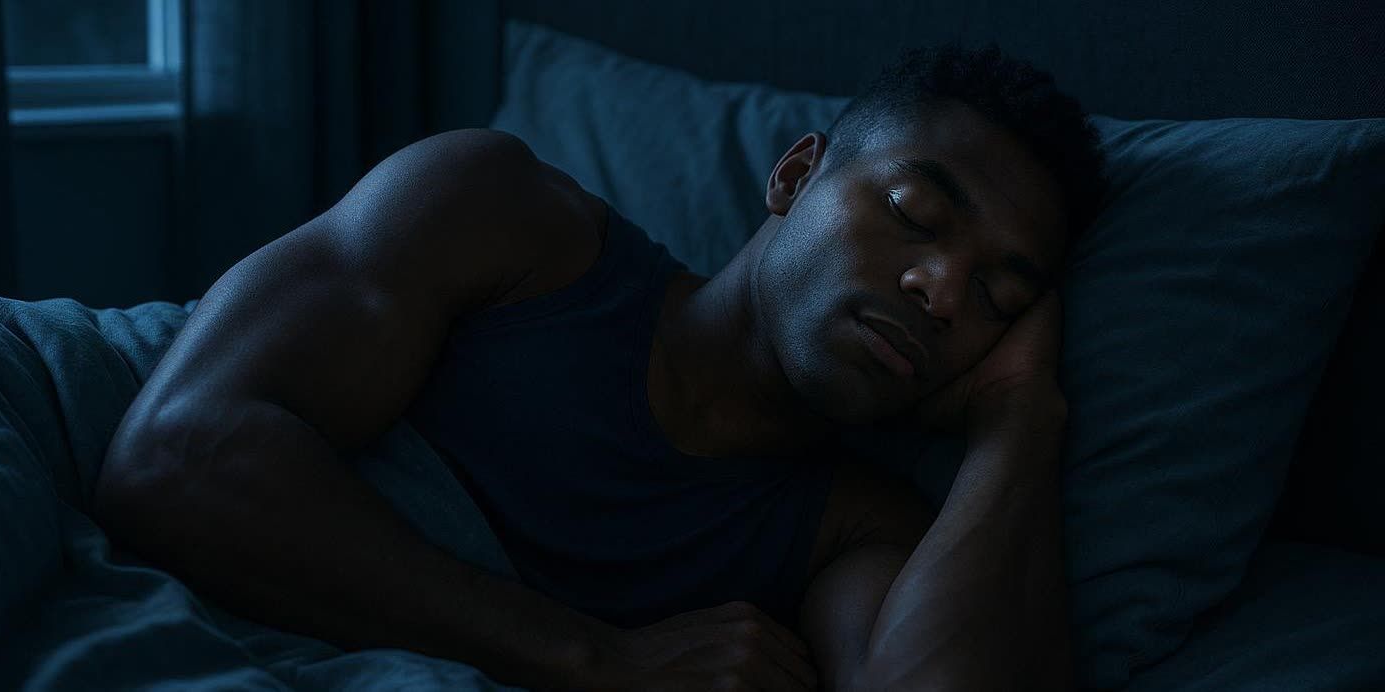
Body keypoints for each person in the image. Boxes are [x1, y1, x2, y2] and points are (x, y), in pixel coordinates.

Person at [94, 44, 1105, 691]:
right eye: (914, 216)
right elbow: (175, 454)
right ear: (796, 177)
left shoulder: (851, 529)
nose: (941, 289)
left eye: (998, 298)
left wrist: (1019, 427)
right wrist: (593, 657)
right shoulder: (505, 220)